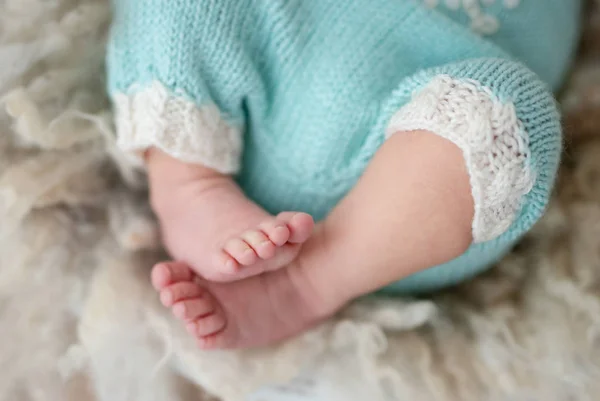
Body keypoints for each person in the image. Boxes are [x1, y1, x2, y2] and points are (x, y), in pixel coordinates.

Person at [107, 0, 582, 349]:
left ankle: (307, 284)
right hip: (276, 63)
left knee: (508, 117)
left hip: (414, 173)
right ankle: (187, 180)